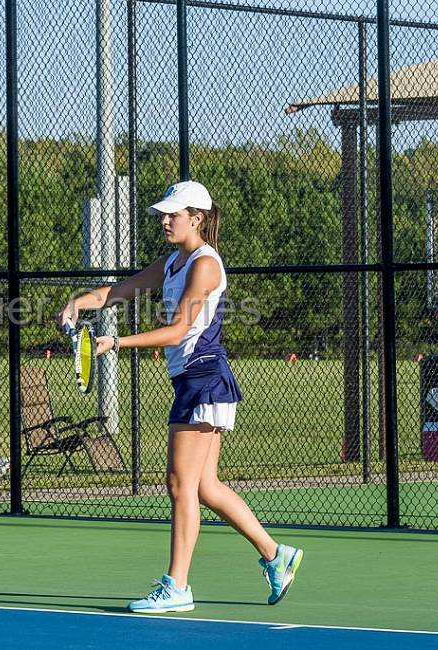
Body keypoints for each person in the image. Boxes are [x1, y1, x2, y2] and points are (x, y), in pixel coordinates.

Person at [58, 181, 302, 613]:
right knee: (204, 486)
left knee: (179, 484)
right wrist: (80, 303)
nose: (166, 220)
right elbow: (120, 291)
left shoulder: (205, 266)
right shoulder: (172, 262)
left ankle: (178, 586)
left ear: (198, 218)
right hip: (194, 380)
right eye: (164, 213)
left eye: (174, 214)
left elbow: (177, 331)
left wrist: (113, 343)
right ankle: (275, 555)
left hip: (202, 379)